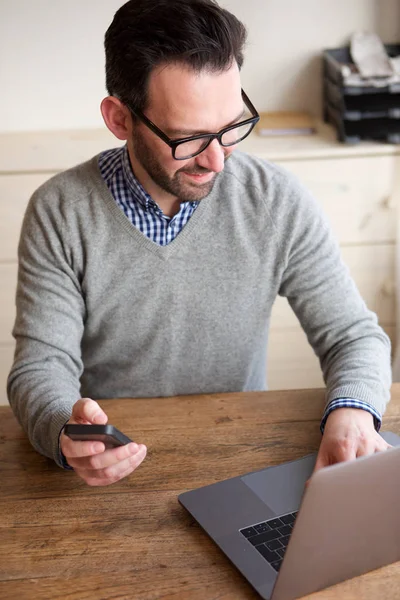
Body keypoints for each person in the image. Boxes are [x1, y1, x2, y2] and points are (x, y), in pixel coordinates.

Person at [8, 0, 391, 487]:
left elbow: (353, 337)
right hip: (113, 472)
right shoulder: (61, 211)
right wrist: (66, 429)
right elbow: (41, 367)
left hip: (241, 460)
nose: (217, 162)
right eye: (188, 139)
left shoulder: (276, 201)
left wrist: (354, 411)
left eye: (231, 128)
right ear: (120, 119)